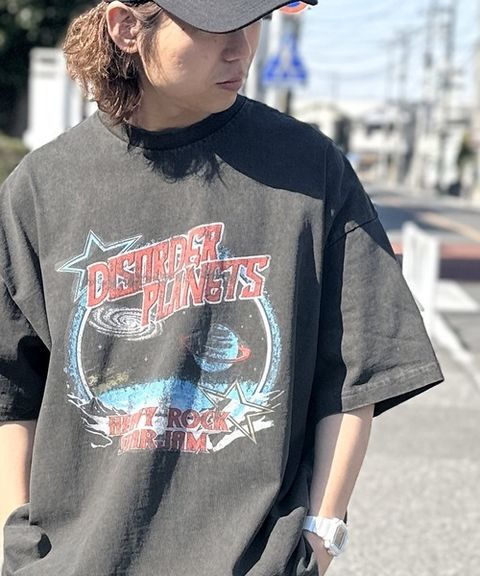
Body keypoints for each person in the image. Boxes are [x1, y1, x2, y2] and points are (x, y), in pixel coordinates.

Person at [0, 1, 443, 575]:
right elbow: (13, 390)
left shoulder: (308, 170)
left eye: (253, 20)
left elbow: (358, 372)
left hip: (251, 561)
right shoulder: (43, 187)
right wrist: (19, 544)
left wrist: (321, 535)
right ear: (127, 27)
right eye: (215, 26)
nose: (241, 48)